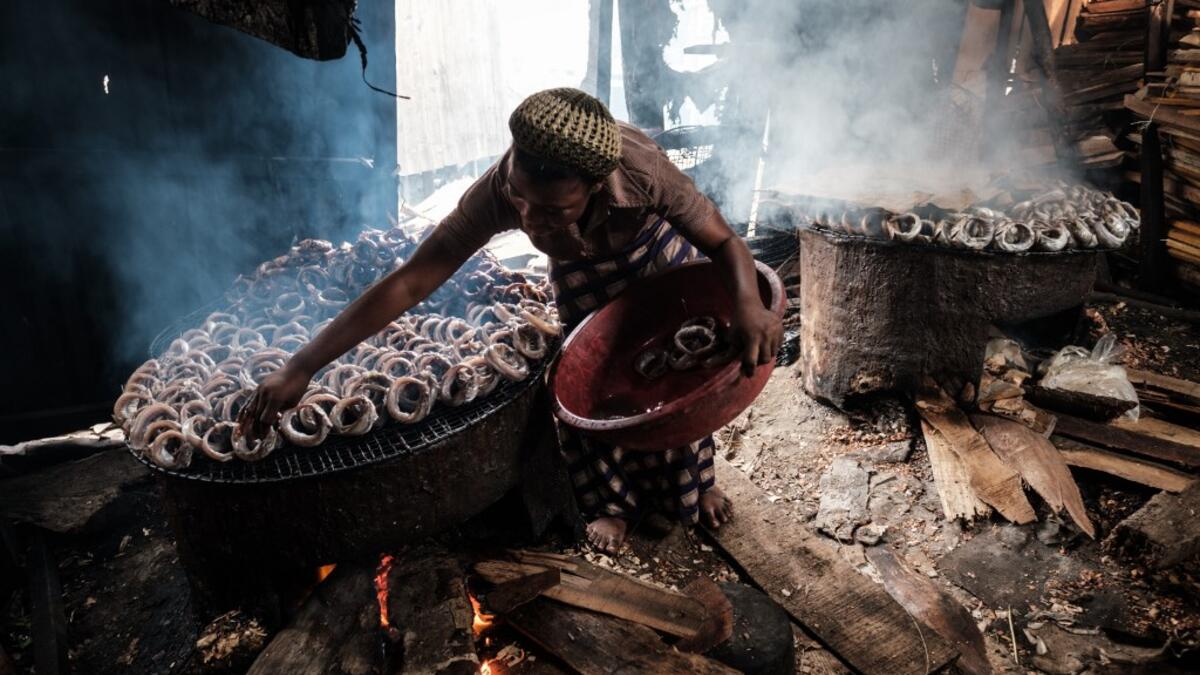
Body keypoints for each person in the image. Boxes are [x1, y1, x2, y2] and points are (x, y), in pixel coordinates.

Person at [239, 88, 782, 553]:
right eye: (522, 202)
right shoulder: (502, 189)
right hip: (580, 277)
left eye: (550, 212)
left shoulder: (640, 169)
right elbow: (411, 282)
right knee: (593, 388)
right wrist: (302, 365)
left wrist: (749, 304)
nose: (528, 217)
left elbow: (723, 241)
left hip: (652, 259)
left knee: (676, 377)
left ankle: (697, 484)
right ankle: (612, 504)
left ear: (594, 186)